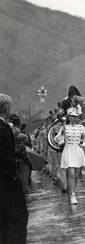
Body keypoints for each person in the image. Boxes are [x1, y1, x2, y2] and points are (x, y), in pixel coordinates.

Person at [0, 93, 28, 244]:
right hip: (7, 182)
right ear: (5, 108)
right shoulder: (4, 129)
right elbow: (6, 157)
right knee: (17, 219)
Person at [55, 107, 85, 204]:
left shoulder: (80, 127)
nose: (73, 118)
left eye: (75, 116)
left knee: (76, 175)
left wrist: (84, 145)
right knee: (71, 173)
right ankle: (72, 195)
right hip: (68, 150)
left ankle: (73, 191)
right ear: (69, 117)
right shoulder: (64, 127)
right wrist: (61, 136)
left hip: (77, 151)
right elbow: (56, 139)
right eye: (71, 116)